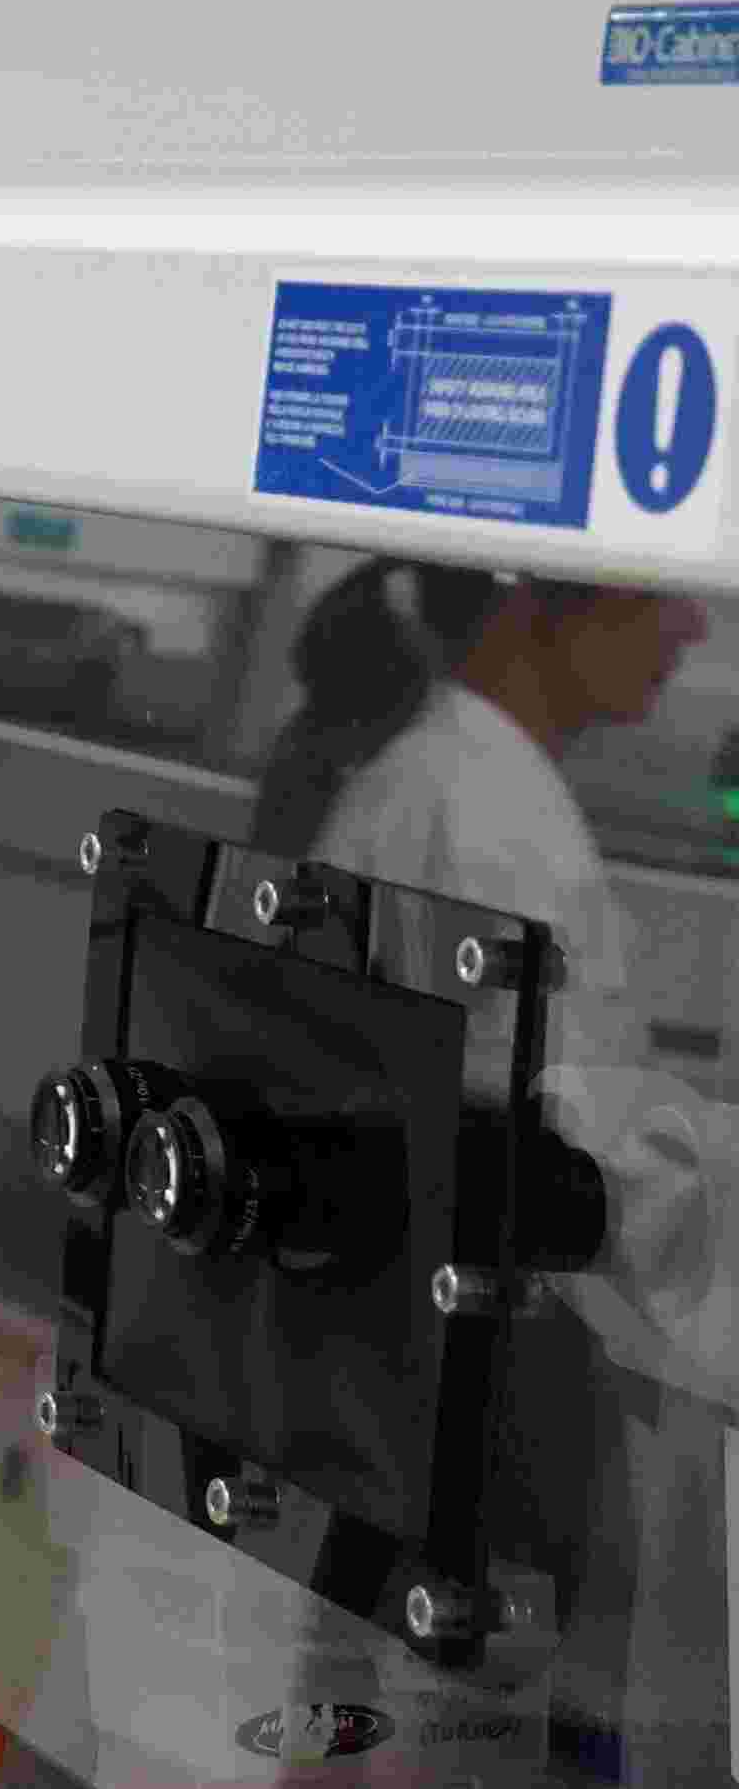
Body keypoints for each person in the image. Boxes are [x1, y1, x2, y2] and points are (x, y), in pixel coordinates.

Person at [250, 553, 731, 1385]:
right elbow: (582, 1180)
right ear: (533, 589)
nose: (694, 622)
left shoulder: (436, 775)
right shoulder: (493, 824)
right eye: (659, 581)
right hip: (451, 1372)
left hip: (372, 1352)